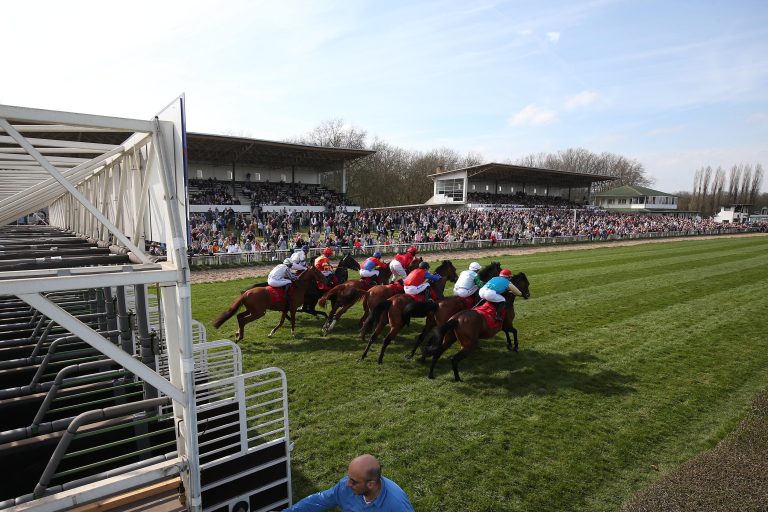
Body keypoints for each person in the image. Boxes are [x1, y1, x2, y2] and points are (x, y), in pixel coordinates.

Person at [282, 454, 414, 512]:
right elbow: (320, 500)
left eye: (354, 481)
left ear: (371, 484)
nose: (347, 484)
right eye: (349, 477)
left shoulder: (397, 505)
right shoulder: (346, 487)